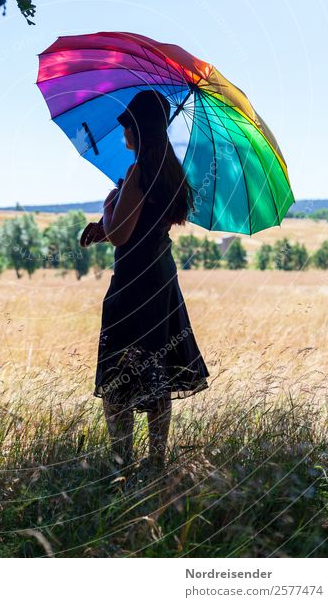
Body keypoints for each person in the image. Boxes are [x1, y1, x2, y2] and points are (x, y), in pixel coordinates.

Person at [80, 89, 210, 472]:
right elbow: (142, 228)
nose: (122, 133)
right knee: (158, 373)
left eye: (126, 126)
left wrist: (108, 205)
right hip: (161, 281)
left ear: (137, 128)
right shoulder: (170, 172)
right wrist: (109, 223)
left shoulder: (139, 171)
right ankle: (156, 463)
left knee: (120, 373)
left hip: (133, 283)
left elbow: (121, 234)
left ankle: (121, 464)